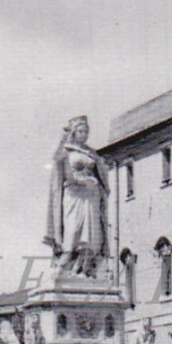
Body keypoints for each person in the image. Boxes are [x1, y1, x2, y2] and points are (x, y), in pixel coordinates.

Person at [44, 116, 110, 278]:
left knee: (91, 234)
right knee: (72, 230)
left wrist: (98, 186)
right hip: (73, 194)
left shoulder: (91, 153)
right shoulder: (65, 150)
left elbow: (101, 174)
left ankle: (82, 269)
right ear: (74, 132)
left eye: (87, 131)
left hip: (91, 195)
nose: (84, 134)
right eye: (81, 131)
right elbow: (61, 171)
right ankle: (63, 264)